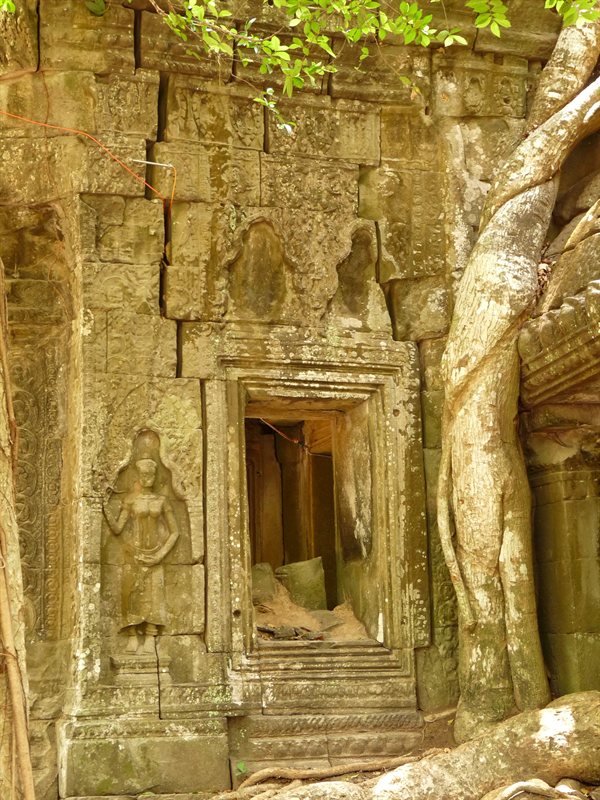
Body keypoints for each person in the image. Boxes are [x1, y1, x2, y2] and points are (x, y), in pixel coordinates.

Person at [103, 456, 179, 654]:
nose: (147, 477)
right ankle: (133, 636)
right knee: (132, 595)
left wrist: (160, 555)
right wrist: (104, 507)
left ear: (154, 476)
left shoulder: (161, 501)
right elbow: (118, 528)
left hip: (156, 554)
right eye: (144, 474)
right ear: (138, 475)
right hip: (133, 553)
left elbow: (175, 532)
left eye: (151, 474)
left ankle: (151, 636)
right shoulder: (130, 500)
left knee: (154, 596)